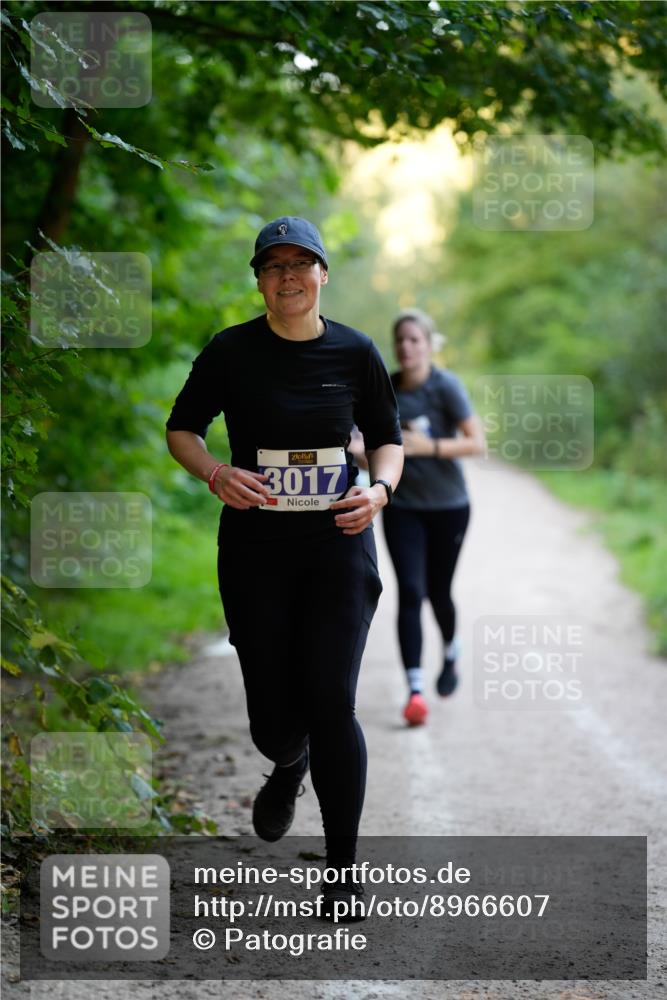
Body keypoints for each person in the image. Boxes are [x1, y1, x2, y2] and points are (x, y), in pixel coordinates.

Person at [165, 216, 403, 917]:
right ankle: (287, 760)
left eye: (303, 263)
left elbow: (386, 439)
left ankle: (342, 875)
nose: (289, 276)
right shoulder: (231, 352)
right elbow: (183, 427)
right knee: (274, 719)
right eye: (274, 266)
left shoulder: (356, 353)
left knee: (332, 702)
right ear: (260, 280)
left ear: (323, 274)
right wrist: (214, 473)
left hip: (337, 542)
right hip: (256, 550)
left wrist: (380, 490)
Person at [383, 308, 485, 727]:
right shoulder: (385, 389)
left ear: (428, 345)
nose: (406, 347)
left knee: (438, 592)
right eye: (401, 340)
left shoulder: (446, 386)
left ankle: (450, 650)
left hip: (449, 507)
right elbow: (363, 437)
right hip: (402, 507)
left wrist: (429, 448)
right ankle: (416, 689)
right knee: (410, 590)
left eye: (414, 340)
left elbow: (477, 442)